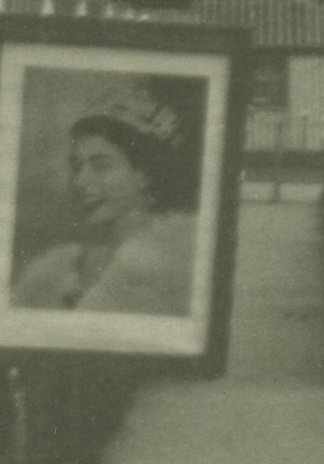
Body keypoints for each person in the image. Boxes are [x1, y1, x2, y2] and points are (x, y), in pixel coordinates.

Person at [12, 81, 200, 315]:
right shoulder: (59, 270)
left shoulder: (179, 270)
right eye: (76, 166)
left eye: (101, 166)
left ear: (144, 174)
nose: (80, 182)